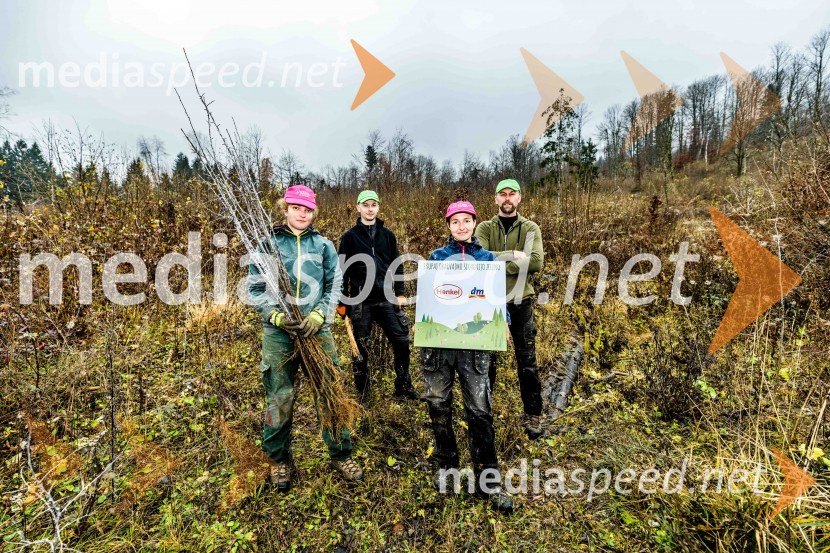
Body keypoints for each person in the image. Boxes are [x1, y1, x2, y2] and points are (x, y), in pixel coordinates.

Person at [248, 184, 363, 491]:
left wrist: (318, 315)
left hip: (317, 331)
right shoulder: (267, 244)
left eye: (308, 209)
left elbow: (333, 285)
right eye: (296, 208)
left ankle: (341, 453)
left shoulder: (323, 245)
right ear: (285, 209)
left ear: (314, 213)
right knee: (280, 396)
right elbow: (255, 289)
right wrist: (276, 316)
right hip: (279, 334)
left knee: (329, 391)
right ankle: (278, 459)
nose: (302, 214)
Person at [421, 200, 513, 514]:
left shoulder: (487, 259)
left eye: (466, 221)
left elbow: (497, 298)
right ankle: (447, 468)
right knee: (438, 405)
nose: (461, 226)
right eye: (455, 221)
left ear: (475, 223)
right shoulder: (437, 258)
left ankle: (489, 481)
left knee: (480, 410)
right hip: (440, 347)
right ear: (448, 226)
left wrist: (505, 325)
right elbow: (428, 299)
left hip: (475, 349)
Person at [474, 178, 545, 440]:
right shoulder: (483, 227)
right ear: (495, 199)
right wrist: (514, 255)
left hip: (520, 302)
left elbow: (535, 262)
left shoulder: (530, 228)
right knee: (486, 362)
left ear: (519, 198)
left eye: (511, 194)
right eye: (502, 194)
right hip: (489, 303)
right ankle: (484, 413)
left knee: (527, 361)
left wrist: (496, 259)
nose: (506, 199)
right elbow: (477, 260)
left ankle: (533, 413)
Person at [337, 190, 419, 403]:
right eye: (366, 205)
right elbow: (341, 272)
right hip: (361, 302)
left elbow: (397, 264)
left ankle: (402, 385)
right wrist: (342, 302)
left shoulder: (388, 235)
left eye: (374, 204)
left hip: (386, 299)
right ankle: (364, 394)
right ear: (358, 207)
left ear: (378, 207)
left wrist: (400, 293)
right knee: (361, 349)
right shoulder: (349, 237)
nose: (370, 208)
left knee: (401, 341)